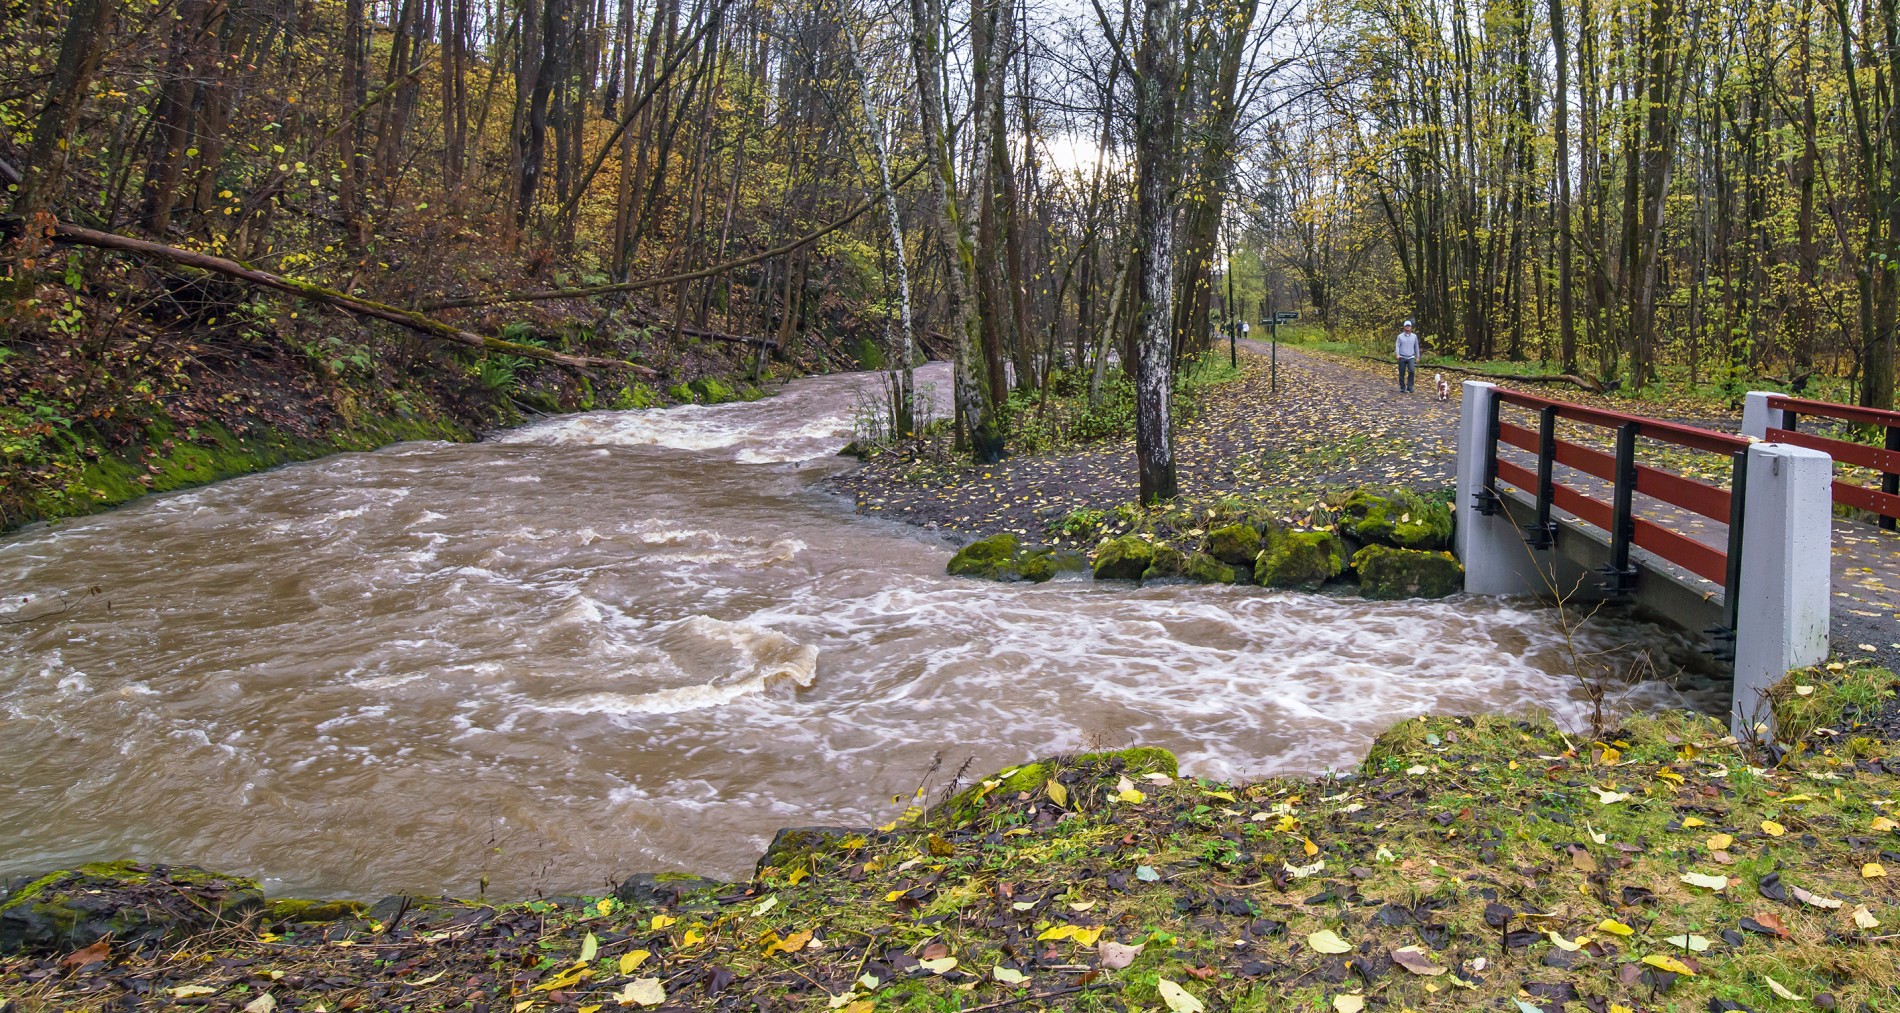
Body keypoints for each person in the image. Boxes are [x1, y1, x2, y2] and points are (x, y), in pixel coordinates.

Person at [1394, 319, 1421, 393]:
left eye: (1409, 326)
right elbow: (1397, 346)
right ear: (1404, 327)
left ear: (1411, 327)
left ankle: (1410, 387)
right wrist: (1397, 354)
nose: (1408, 327)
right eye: (1406, 326)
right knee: (1402, 372)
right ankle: (1402, 387)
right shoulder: (1400, 336)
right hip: (1402, 356)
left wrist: (1417, 356)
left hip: (1411, 356)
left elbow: (1416, 347)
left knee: (1411, 371)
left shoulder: (1414, 336)